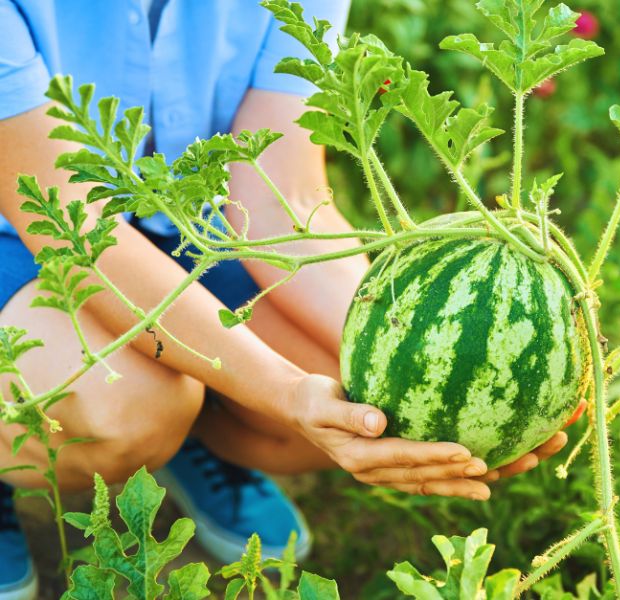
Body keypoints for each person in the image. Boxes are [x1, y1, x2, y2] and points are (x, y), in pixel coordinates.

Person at [0, 1, 573, 597]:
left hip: (192, 228)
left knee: (361, 389)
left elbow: (287, 194)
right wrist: (280, 390)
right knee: (123, 410)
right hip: (26, 233)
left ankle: (190, 434)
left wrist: (420, 348)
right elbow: (74, 226)